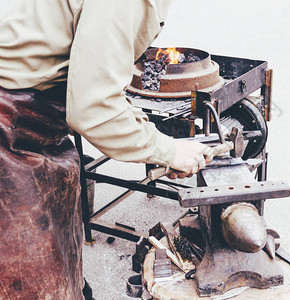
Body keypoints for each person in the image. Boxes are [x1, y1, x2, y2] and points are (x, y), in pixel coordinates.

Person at [0, 0, 210, 298]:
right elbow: (93, 109)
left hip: (32, 121)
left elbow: (101, 84)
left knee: (58, 269)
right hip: (9, 134)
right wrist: (167, 150)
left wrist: (156, 144)